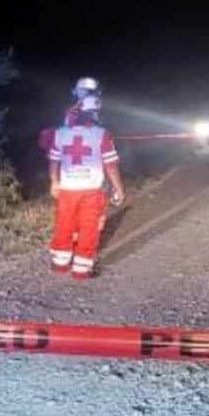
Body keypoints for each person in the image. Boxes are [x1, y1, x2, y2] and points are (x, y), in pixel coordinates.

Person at [47, 94, 125, 279]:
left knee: (64, 225)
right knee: (89, 228)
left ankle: (60, 264)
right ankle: (82, 270)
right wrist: (119, 189)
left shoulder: (60, 133)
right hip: (91, 190)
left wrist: (54, 182)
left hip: (67, 189)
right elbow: (111, 166)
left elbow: (53, 160)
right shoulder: (102, 134)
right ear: (95, 113)